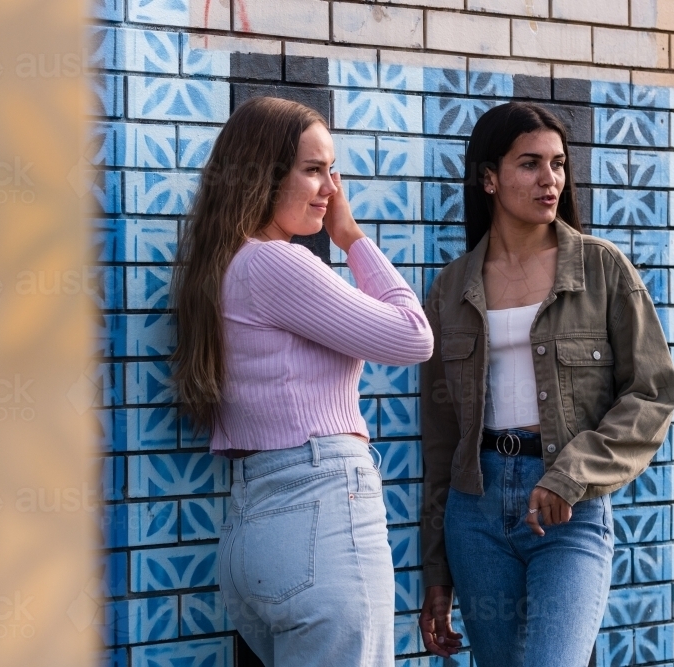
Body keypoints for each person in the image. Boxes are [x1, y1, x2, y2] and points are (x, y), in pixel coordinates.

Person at [171, 97, 433, 667]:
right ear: (262, 175)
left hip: (254, 534)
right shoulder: (278, 264)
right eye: (313, 170)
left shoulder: (221, 268)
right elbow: (414, 336)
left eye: (332, 170)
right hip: (320, 515)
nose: (331, 189)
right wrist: (353, 239)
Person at [418, 102, 674, 666]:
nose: (550, 180)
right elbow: (441, 442)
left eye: (558, 164)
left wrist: (571, 474)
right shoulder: (449, 289)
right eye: (530, 164)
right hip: (476, 512)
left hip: (567, 508)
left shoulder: (602, 269)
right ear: (489, 178)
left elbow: (651, 393)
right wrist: (435, 573)